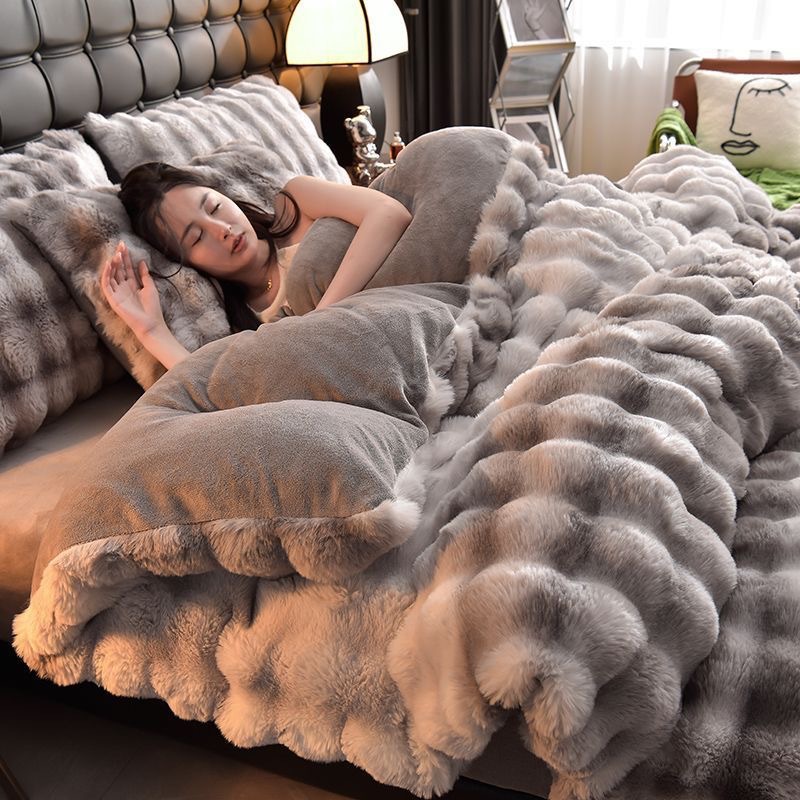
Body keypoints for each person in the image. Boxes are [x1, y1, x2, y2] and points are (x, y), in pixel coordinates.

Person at [101, 162, 412, 370]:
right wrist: (151, 330)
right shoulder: (246, 325)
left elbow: (389, 213)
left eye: (215, 207)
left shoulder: (297, 203)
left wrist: (321, 319)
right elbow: (221, 396)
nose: (221, 230)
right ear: (186, 263)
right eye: (197, 238)